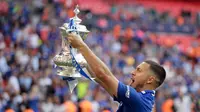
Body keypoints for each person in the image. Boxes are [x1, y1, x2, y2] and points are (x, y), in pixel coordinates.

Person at [66, 33, 166, 112]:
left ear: (150, 79)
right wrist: (80, 59)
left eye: (139, 70)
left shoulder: (137, 100)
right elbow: (101, 80)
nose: (132, 72)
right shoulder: (143, 98)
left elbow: (103, 75)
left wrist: (81, 45)